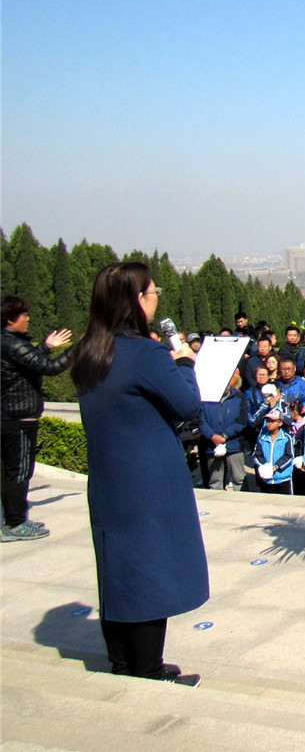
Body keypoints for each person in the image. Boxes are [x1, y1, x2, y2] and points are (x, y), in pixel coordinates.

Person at [69, 262, 204, 686]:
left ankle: (123, 661)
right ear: (137, 300)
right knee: (152, 570)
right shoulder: (146, 354)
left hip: (109, 478)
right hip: (150, 481)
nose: (156, 298)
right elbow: (188, 406)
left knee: (118, 569)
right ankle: (149, 668)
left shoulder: (89, 351)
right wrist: (183, 363)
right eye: (152, 292)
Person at [2, 295, 73, 541]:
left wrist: (45, 347)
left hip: (9, 416)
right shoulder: (11, 344)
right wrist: (81, 348)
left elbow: (28, 363)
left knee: (10, 471)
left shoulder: (8, 342)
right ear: (11, 320)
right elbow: (50, 368)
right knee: (20, 471)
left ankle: (7, 518)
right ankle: (16, 523)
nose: (28, 319)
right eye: (24, 315)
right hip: (19, 418)